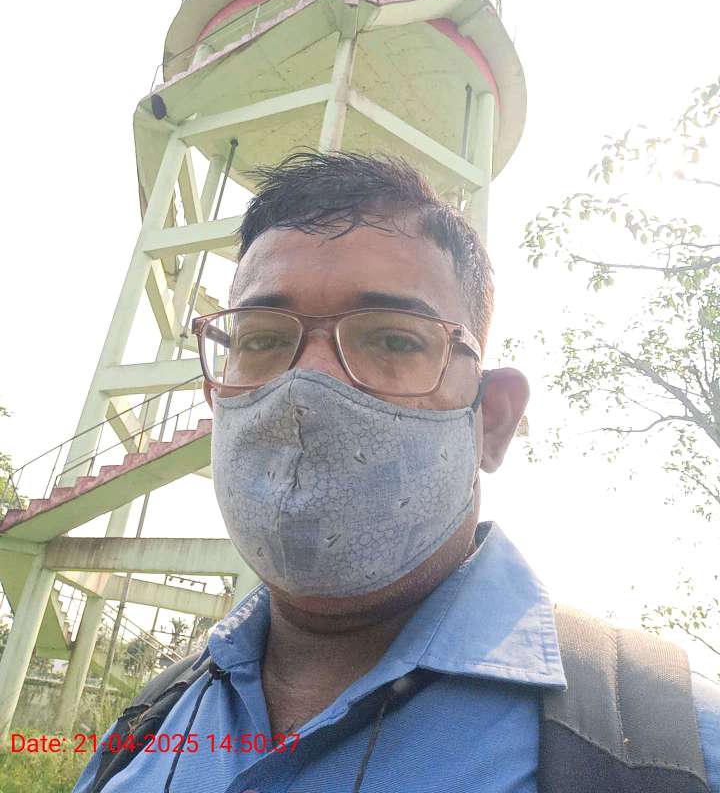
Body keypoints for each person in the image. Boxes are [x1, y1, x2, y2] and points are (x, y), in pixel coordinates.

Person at [73, 150, 720, 793]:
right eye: (262, 339)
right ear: (217, 396)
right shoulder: (142, 735)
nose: (306, 384)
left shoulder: (676, 753)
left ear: (491, 420)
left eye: (392, 339)